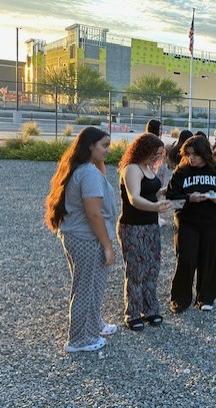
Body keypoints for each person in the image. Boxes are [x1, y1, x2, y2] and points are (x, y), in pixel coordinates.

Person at [44, 127, 118, 352]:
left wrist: (99, 161)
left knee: (93, 284)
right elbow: (94, 214)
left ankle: (94, 325)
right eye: (104, 146)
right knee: (85, 288)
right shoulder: (88, 173)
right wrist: (107, 246)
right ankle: (78, 340)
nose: (108, 150)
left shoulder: (84, 169)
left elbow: (101, 180)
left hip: (78, 235)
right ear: (89, 146)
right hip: (87, 238)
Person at [166, 135, 216, 313]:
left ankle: (205, 297)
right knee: (186, 260)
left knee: (209, 260)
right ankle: (180, 299)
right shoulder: (181, 171)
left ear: (205, 154)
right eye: (189, 154)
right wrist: (188, 197)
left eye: (196, 155)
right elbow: (171, 196)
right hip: (187, 222)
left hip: (212, 223)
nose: (192, 158)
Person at [117, 134, 173, 331]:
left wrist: (163, 192)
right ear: (144, 150)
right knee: (136, 271)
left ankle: (150, 309)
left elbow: (149, 192)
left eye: (160, 154)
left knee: (152, 268)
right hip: (133, 226)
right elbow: (134, 198)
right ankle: (132, 313)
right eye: (156, 153)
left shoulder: (148, 167)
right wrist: (156, 207)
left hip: (150, 226)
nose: (158, 157)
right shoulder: (131, 168)